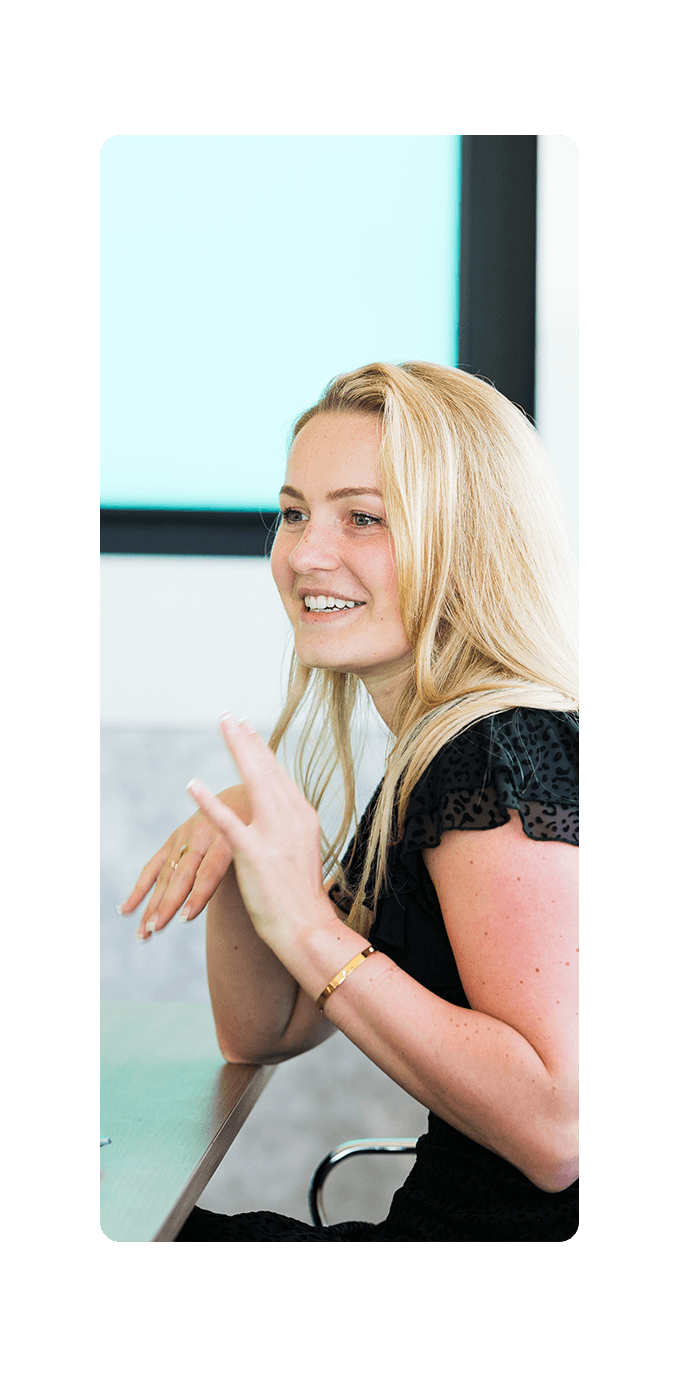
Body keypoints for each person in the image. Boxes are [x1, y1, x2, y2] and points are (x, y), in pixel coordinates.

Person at [120, 361, 579, 1241]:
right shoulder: (439, 747)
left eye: (362, 518)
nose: (304, 555)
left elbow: (556, 1131)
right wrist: (246, 845)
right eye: (294, 513)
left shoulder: (497, 749)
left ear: (468, 537)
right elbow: (265, 1031)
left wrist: (308, 924)